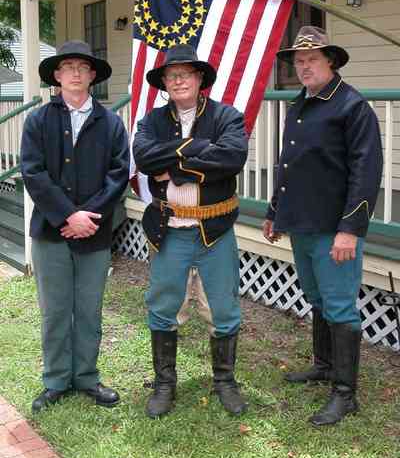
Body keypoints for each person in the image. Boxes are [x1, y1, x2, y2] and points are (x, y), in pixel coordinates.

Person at [263, 26, 383, 426]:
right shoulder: (301, 104)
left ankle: (345, 394)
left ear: (330, 61)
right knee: (316, 297)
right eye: (298, 61)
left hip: (335, 228)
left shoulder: (352, 107)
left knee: (339, 305)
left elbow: (366, 173)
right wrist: (274, 211)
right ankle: (325, 365)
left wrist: (350, 228)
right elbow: (288, 164)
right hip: (301, 223)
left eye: (312, 59)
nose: (304, 66)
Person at [132, 44, 248, 418]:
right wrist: (199, 151)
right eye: (171, 74)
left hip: (214, 229)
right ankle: (165, 384)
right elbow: (145, 158)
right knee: (164, 307)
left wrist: (177, 165)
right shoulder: (151, 121)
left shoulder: (226, 116)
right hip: (169, 230)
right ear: (164, 82)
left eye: (187, 73)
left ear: (200, 79)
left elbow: (231, 157)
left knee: (224, 308)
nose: (179, 79)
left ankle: (225, 381)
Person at [21, 40, 129, 413]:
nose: (76, 73)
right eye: (68, 67)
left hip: (94, 235)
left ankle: (85, 377)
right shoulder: (38, 120)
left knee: (88, 309)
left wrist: (87, 219)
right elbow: (32, 173)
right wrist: (68, 215)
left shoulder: (111, 123)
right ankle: (55, 380)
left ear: (93, 75)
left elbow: (118, 176)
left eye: (83, 67)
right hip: (51, 234)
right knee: (54, 311)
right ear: (57, 75)